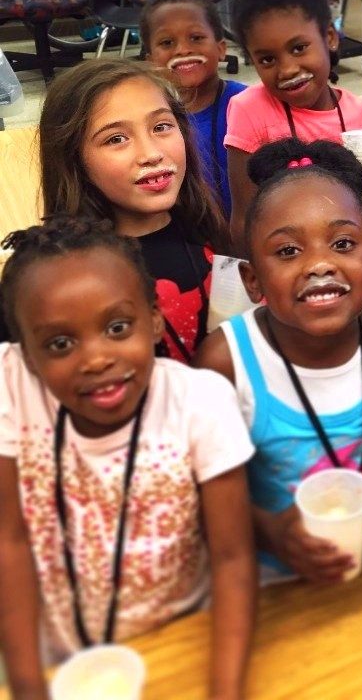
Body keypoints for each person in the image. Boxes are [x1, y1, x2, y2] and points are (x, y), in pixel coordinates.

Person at [0, 215, 255, 699]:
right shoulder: (11, 387)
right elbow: (8, 542)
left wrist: (225, 692)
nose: (96, 358)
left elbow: (232, 558)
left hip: (182, 643)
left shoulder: (199, 402)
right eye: (59, 344)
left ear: (154, 318)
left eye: (118, 327)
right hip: (65, 664)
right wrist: (29, 685)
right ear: (27, 355)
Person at [194, 138, 362, 583]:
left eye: (343, 244)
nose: (320, 265)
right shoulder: (226, 362)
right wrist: (271, 531)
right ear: (253, 281)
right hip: (279, 583)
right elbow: (208, 489)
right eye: (287, 251)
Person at [38, 59, 227, 364]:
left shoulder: (212, 234)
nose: (151, 154)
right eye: (116, 139)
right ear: (75, 161)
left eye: (161, 127)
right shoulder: (60, 281)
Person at [224, 0, 362, 250]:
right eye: (267, 59)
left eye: (298, 48)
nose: (287, 70)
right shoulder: (249, 110)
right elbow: (244, 218)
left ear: (331, 37)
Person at [140, 0, 247, 215]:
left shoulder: (246, 104)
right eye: (167, 43)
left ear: (221, 50)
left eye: (196, 38)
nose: (183, 50)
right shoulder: (145, 115)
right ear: (150, 61)